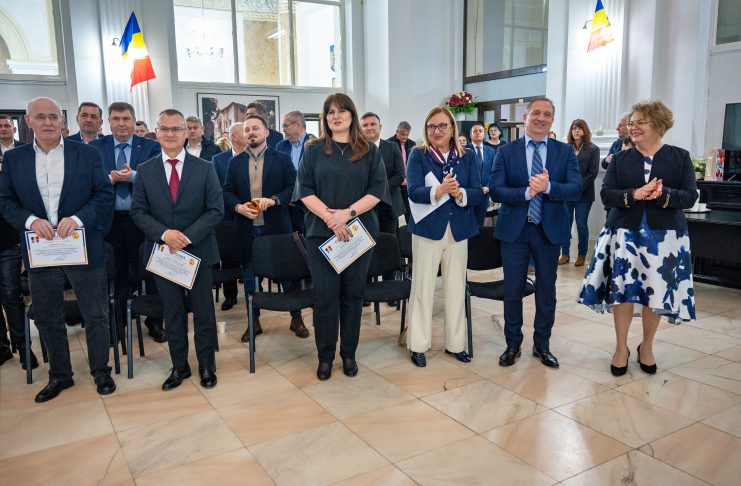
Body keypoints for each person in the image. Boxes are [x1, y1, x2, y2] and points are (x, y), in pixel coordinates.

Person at [0, 97, 116, 402]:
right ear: (28, 122)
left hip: (83, 247)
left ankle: (101, 371)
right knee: (48, 317)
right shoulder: (15, 159)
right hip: (41, 251)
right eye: (40, 117)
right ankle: (60, 375)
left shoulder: (87, 154)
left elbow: (103, 195)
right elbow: (5, 202)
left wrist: (77, 219)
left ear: (63, 121)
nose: (48, 122)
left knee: (96, 315)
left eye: (53, 116)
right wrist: (30, 221)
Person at [577, 100, 697, 377]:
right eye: (631, 123)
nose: (633, 127)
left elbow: (690, 196)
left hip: (664, 239)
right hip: (624, 235)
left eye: (640, 122)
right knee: (623, 293)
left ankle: (647, 347)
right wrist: (634, 195)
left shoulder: (680, 157)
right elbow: (607, 195)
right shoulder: (620, 159)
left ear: (658, 124)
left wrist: (664, 194)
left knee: (655, 293)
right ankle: (621, 348)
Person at [293, 93, 390, 381]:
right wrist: (331, 218)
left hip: (357, 234)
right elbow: (305, 191)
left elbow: (377, 191)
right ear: (325, 117)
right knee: (325, 297)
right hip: (321, 234)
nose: (336, 116)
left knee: (353, 295)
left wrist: (347, 214)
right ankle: (325, 357)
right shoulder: (313, 149)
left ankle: (348, 354)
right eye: (330, 112)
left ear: (352, 115)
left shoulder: (369, 150)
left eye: (342, 111)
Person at [130, 108, 224, 390]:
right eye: (165, 128)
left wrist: (186, 237)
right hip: (164, 254)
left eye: (176, 129)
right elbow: (138, 211)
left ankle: (206, 365)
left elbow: (216, 210)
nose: (170, 134)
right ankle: (180, 366)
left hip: (198, 252)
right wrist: (165, 234)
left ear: (186, 132)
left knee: (204, 312)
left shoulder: (205, 168)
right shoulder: (145, 170)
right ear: (156, 132)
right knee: (172, 313)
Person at [490, 97, 582, 369]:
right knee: (512, 289)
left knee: (546, 291)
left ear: (552, 120)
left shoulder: (564, 152)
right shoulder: (506, 151)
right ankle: (513, 344)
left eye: (547, 114)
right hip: (514, 231)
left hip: (549, 230)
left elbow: (576, 188)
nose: (541, 118)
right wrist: (527, 192)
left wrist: (548, 187)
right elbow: (496, 189)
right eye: (536, 113)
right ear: (525, 117)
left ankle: (542, 344)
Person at [406, 107, 484, 368]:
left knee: (455, 288)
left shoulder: (467, 156)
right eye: (431, 126)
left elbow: (477, 192)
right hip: (428, 230)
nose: (436, 131)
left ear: (452, 129)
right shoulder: (419, 155)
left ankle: (455, 344)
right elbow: (414, 191)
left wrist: (459, 193)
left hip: (458, 229)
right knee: (422, 288)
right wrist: (440, 190)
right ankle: (418, 345)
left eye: (442, 126)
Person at [224, 114, 309, 342]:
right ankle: (254, 321)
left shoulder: (281, 159)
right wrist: (238, 207)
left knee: (287, 274)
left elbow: (294, 187)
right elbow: (227, 191)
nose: (251, 132)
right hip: (247, 227)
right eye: (247, 129)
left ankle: (296, 317)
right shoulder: (235, 162)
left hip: (276, 225)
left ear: (266, 133)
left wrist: (274, 200)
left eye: (255, 128)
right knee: (249, 276)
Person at [90, 102, 165, 343]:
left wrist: (133, 176)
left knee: (151, 272)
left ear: (134, 121)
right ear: (108, 122)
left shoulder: (152, 147)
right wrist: (109, 180)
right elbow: (88, 182)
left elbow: (159, 179)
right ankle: (118, 324)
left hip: (142, 222)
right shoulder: (95, 148)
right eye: (116, 119)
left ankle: (154, 322)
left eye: (126, 119)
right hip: (110, 224)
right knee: (117, 276)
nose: (121, 123)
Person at [211, 122, 246, 311]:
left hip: (252, 214)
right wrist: (235, 204)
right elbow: (217, 188)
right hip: (227, 217)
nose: (248, 134)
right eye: (244, 131)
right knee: (228, 258)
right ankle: (230, 295)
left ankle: (253, 293)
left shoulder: (255, 156)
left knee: (251, 256)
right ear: (234, 137)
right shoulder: (218, 160)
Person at [559, 119, 600, 267]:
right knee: (565, 223)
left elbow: (592, 173)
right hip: (567, 193)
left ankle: (582, 254)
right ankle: (565, 253)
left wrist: (577, 187)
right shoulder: (566, 148)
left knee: (581, 224)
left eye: (579, 128)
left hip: (584, 194)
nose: (576, 131)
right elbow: (561, 170)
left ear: (585, 130)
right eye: (574, 128)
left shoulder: (593, 149)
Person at [276, 111, 314, 234]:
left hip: (308, 205)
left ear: (297, 124)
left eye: (285, 126)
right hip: (286, 206)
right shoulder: (281, 146)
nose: (283, 130)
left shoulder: (315, 144)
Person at [466, 123, 495, 225]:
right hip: (468, 193)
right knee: (467, 223)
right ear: (471, 135)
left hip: (484, 193)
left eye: (480, 131)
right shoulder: (463, 150)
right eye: (475, 131)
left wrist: (489, 186)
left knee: (479, 224)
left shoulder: (491, 151)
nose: (478, 133)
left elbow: (494, 172)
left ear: (484, 135)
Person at [387, 121, 416, 221]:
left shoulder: (412, 144)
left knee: (409, 209)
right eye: (403, 134)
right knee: (394, 211)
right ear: (397, 132)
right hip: (394, 182)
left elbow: (413, 165)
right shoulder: (388, 144)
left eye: (407, 135)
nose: (405, 137)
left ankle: (409, 228)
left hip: (408, 183)